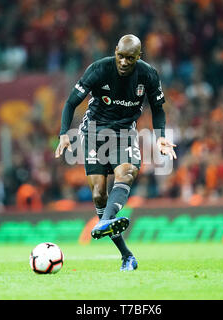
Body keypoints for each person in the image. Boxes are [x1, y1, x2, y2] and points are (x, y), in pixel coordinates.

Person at [55, 34, 177, 271]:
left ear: (138, 57)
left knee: (127, 172)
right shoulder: (98, 69)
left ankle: (103, 221)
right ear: (115, 51)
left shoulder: (148, 74)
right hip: (94, 131)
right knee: (100, 194)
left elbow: (158, 108)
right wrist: (62, 133)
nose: (123, 62)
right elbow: (70, 102)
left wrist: (161, 136)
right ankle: (126, 255)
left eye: (129, 58)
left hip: (124, 133)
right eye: (120, 56)